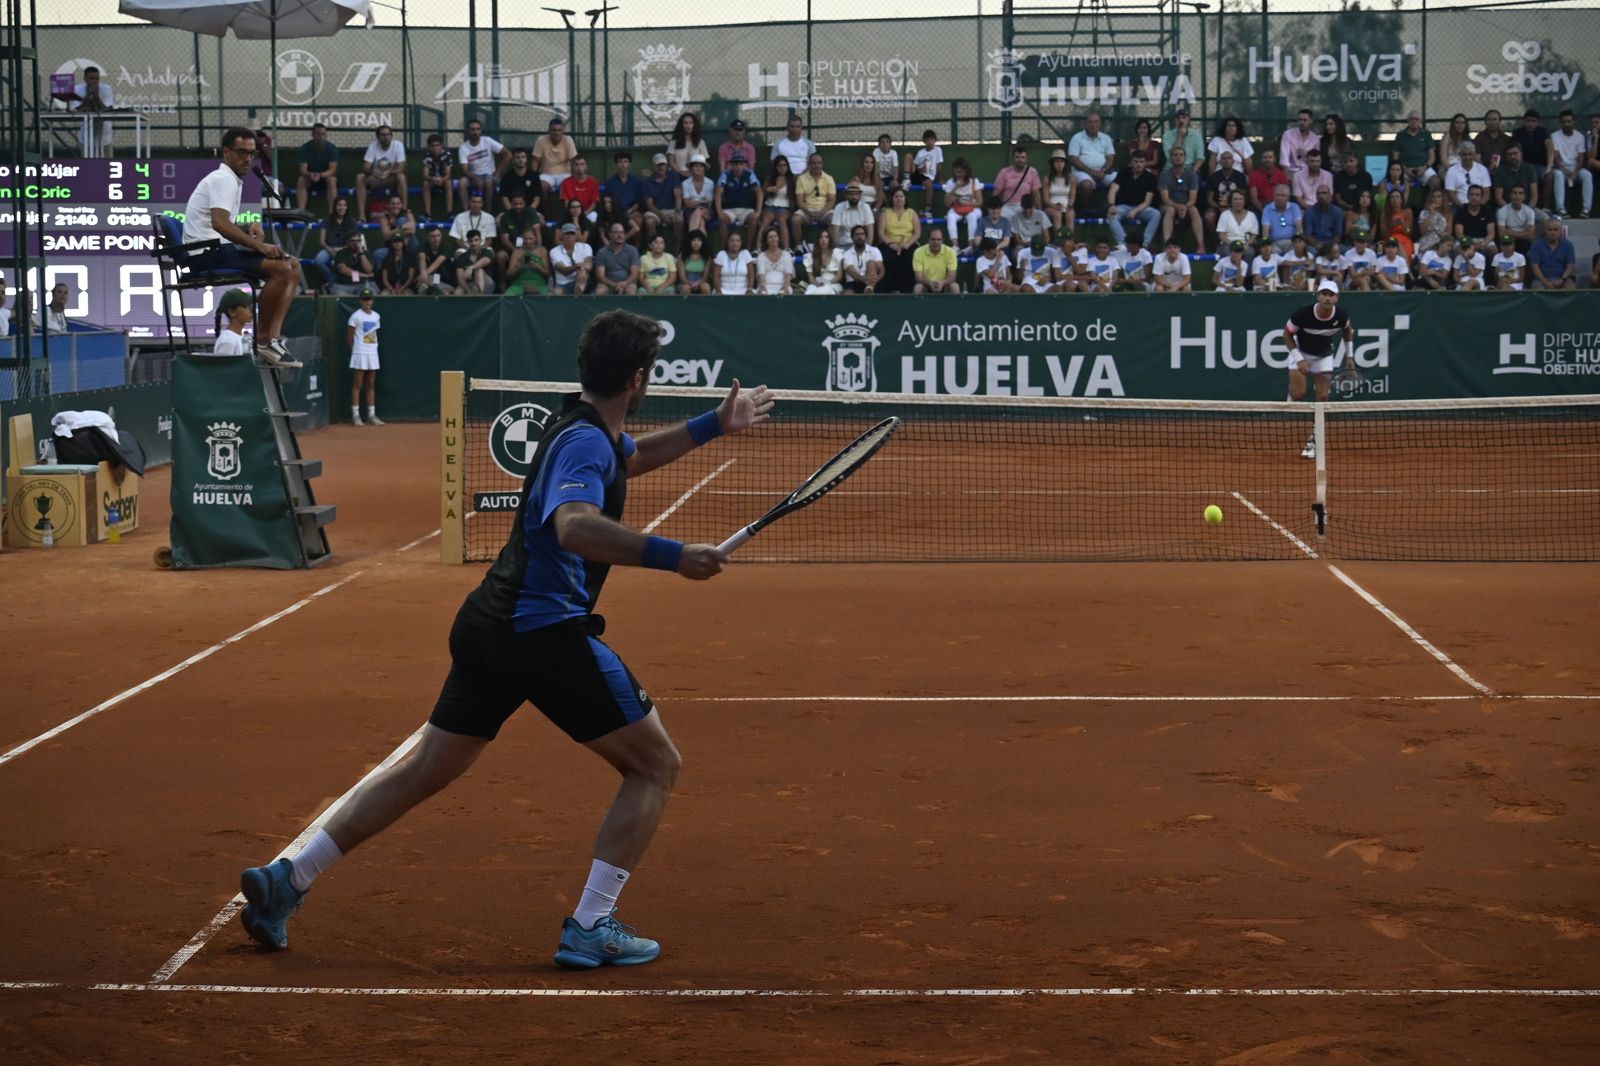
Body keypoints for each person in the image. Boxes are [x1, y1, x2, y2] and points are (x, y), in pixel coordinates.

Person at [235, 309, 774, 968]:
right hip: (540, 632)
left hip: (489, 621)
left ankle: (286, 880)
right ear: (638, 378)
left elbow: (628, 460)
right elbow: (576, 525)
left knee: (427, 767)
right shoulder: (585, 443)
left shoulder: (584, 429)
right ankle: (591, 924)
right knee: (655, 765)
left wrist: (714, 425)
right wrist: (671, 555)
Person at [183, 127, 302, 366]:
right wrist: (261, 247)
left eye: (252, 153)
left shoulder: (231, 180)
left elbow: (220, 221)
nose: (248, 158)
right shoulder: (223, 178)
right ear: (226, 153)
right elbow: (219, 223)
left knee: (293, 265)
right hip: (205, 254)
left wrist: (248, 226)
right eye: (242, 152)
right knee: (282, 268)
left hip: (215, 249)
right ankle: (265, 339)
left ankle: (272, 339)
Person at [1284, 280, 1354, 458]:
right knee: (1299, 393)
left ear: (1336, 298)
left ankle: (1313, 441)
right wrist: (1299, 360)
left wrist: (1350, 356)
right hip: (1300, 353)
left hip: (1324, 356)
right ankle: (1292, 394)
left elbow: (1347, 331)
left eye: (1331, 295)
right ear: (1318, 296)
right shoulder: (1303, 313)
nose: (1327, 298)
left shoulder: (1341, 315)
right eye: (1324, 294)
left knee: (1322, 397)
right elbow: (1287, 334)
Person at [346, 290, 383, 427]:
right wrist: (355, 352)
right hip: (360, 353)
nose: (367, 302)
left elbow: (374, 335)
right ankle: (356, 416)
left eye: (369, 299)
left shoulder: (376, 316)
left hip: (372, 353)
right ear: (360, 301)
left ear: (372, 301)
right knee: (357, 385)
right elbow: (349, 337)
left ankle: (371, 415)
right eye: (364, 299)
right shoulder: (355, 317)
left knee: (370, 385)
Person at [1107, 152, 1160, 248]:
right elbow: (1113, 190)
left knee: (1156, 214)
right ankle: (1123, 242)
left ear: (1145, 163)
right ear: (1131, 162)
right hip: (1123, 206)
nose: (1139, 164)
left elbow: (1147, 201)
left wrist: (1135, 211)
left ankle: (1145, 243)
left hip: (1141, 208)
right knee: (1111, 214)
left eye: (1141, 162)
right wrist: (1111, 205)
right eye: (1136, 161)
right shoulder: (1123, 173)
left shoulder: (1151, 178)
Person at [1548, 109, 1593, 218]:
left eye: (1569, 121)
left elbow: (1581, 158)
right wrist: (1564, 169)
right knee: (1558, 175)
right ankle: (1561, 209)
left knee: (1587, 175)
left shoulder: (1580, 136)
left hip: (1575, 168)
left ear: (1573, 122)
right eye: (1564, 122)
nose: (1566, 124)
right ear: (1560, 123)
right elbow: (1556, 156)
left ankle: (1586, 210)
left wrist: (1576, 172)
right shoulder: (1554, 136)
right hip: (1560, 168)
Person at [1158, 145, 1205, 250]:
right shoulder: (1164, 174)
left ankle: (1201, 245)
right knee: (1170, 210)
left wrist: (1184, 207)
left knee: (1194, 210)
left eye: (1181, 155)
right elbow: (1165, 198)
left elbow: (1193, 199)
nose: (1178, 157)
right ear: (1170, 158)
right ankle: (1167, 245)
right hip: (1168, 205)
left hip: (1186, 205)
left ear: (1185, 158)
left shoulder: (1192, 175)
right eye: (1175, 155)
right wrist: (1177, 206)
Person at [1068, 111, 1116, 208]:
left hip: (1103, 172)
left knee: (1119, 181)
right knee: (1086, 185)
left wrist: (1103, 171)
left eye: (1096, 122)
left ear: (1100, 124)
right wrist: (1091, 172)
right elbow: (1074, 159)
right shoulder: (1077, 138)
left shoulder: (1106, 138)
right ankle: (1086, 209)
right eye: (1090, 122)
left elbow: (1110, 157)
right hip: (1082, 172)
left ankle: (1109, 207)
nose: (1093, 124)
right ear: (1085, 124)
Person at [715, 152, 764, 248]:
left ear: (744, 165)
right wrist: (719, 212)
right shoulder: (725, 174)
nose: (739, 167)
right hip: (729, 210)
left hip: (746, 209)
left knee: (754, 219)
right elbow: (718, 192)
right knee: (722, 220)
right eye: (736, 164)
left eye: (741, 164)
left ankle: (748, 249)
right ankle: (723, 249)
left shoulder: (750, 174)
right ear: (732, 165)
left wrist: (758, 211)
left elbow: (759, 191)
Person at [878, 186, 921, 294]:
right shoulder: (885, 213)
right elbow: (881, 233)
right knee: (889, 258)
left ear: (905, 199)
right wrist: (891, 243)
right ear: (892, 199)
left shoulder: (911, 213)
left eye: (901, 196)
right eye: (896, 196)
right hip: (889, 243)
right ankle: (891, 290)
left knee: (909, 257)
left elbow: (917, 233)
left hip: (908, 243)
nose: (899, 199)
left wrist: (907, 244)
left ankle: (907, 290)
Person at [357, 125, 407, 217]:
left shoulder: (398, 145)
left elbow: (401, 167)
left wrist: (389, 172)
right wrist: (373, 172)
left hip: (391, 178)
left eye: (388, 135)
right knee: (360, 177)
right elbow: (365, 167)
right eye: (383, 135)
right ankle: (362, 215)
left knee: (401, 177)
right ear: (378, 137)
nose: (386, 137)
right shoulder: (373, 146)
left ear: (391, 136)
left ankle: (403, 212)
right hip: (376, 178)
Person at [458, 120, 509, 208]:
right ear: (468, 131)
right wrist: (475, 177)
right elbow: (465, 170)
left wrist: (498, 173)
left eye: (478, 129)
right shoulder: (463, 148)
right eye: (472, 129)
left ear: (481, 131)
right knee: (462, 182)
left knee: (488, 181)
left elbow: (508, 154)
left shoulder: (487, 141)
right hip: (473, 177)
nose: (475, 132)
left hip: (490, 176)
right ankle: (466, 213)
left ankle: (487, 212)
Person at [793, 153, 837, 253]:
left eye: (819, 163)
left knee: (833, 220)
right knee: (795, 220)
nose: (816, 166)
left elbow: (832, 200)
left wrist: (822, 211)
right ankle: (799, 247)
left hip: (824, 209)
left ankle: (833, 248)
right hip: (806, 208)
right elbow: (799, 201)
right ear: (809, 164)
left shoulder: (829, 178)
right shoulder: (801, 179)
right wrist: (808, 211)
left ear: (822, 164)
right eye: (814, 163)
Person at [641, 154, 684, 247]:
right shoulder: (647, 182)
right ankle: (656, 249)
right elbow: (650, 204)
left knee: (679, 220)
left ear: (667, 165)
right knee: (649, 222)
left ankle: (678, 250)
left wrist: (677, 211)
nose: (661, 167)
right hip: (657, 211)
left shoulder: (673, 176)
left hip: (672, 209)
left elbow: (678, 195)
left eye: (663, 164)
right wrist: (662, 215)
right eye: (658, 165)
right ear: (654, 166)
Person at [601, 152, 646, 240]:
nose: (623, 164)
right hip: (615, 211)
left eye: (625, 161)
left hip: (631, 211)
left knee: (638, 220)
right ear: (616, 164)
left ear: (629, 164)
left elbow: (638, 202)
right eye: (620, 162)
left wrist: (629, 211)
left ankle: (635, 250)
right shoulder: (610, 182)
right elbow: (608, 199)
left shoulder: (637, 181)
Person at [941, 157, 982, 252]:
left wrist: (968, 203)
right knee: (950, 216)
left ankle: (971, 246)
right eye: (956, 172)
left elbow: (980, 203)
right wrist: (955, 188)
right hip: (957, 208)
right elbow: (947, 204)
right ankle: (955, 246)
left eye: (961, 172)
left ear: (966, 171)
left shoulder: (974, 181)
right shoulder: (951, 182)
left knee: (971, 216)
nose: (958, 174)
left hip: (973, 208)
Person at [295, 123, 339, 212]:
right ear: (313, 134)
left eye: (323, 134)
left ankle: (332, 215)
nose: (321, 137)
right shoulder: (304, 148)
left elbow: (333, 169)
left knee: (332, 179)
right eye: (318, 134)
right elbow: (303, 170)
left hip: (325, 178)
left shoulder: (332, 148)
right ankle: (301, 212)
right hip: (310, 178)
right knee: (301, 180)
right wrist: (311, 174)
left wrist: (321, 175)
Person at [533, 117, 579, 200]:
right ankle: (545, 212)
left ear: (562, 131)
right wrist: (532, 178)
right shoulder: (541, 140)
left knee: (567, 186)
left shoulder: (568, 140)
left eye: (559, 130)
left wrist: (575, 178)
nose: (557, 133)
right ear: (549, 130)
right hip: (546, 174)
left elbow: (574, 161)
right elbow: (535, 161)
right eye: (554, 130)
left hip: (564, 174)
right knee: (541, 187)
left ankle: (567, 212)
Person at [993, 145, 1042, 222]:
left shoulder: (1032, 172)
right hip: (1008, 205)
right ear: (1013, 158)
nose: (1020, 160)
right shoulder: (1004, 172)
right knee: (1002, 219)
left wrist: (1039, 210)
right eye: (1017, 157)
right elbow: (996, 193)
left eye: (1023, 157)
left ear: (1026, 159)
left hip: (1025, 205)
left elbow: (1036, 194)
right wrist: (994, 208)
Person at [1392, 111, 1439, 190]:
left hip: (1424, 168)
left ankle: (1430, 202)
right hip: (1405, 170)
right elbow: (1395, 157)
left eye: (1416, 119)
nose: (1414, 121)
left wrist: (1425, 167)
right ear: (1408, 121)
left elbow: (1432, 156)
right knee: (1398, 183)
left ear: (1421, 121)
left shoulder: (1426, 134)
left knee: (1436, 181)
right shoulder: (1400, 135)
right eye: (1412, 119)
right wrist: (1405, 169)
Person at [592, 223, 642, 295]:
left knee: (630, 291)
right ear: (610, 235)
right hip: (608, 283)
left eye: (622, 232)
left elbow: (635, 274)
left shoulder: (632, 250)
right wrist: (614, 285)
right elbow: (600, 276)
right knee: (600, 291)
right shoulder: (602, 252)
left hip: (628, 283)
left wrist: (625, 283)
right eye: (616, 232)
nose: (620, 235)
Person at [1527, 217, 1576, 289]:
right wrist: (1545, 283)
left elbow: (1570, 266)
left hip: (1563, 279)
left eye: (1556, 230)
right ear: (1545, 231)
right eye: (1549, 230)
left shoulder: (1568, 245)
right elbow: (1535, 267)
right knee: (1537, 289)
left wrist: (1562, 280)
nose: (1552, 232)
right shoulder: (1536, 245)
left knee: (1571, 287)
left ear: (1561, 231)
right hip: (1542, 280)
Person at [504, 224, 551, 296]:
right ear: (522, 239)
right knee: (507, 296)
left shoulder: (542, 250)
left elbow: (547, 273)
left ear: (535, 239)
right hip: (519, 284)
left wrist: (537, 266)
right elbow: (508, 275)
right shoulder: (517, 252)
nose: (528, 241)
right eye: (526, 238)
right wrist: (520, 267)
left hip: (539, 284)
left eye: (530, 239)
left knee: (549, 297)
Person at [759, 156, 796, 249]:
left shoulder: (792, 179)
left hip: (785, 207)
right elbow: (762, 192)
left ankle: (787, 248)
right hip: (770, 205)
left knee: (782, 219)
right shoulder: (770, 178)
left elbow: (793, 197)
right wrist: (768, 190)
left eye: (784, 165)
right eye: (780, 166)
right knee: (766, 220)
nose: (782, 168)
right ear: (776, 167)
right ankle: (758, 248)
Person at [550, 223, 595, 295]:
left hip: (584, 281)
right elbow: (564, 270)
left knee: (582, 272)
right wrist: (577, 266)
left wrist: (582, 268)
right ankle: (578, 297)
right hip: (564, 284)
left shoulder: (585, 247)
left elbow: (589, 266)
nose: (569, 237)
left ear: (576, 236)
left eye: (572, 234)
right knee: (556, 292)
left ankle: (577, 297)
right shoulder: (554, 251)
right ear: (561, 236)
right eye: (567, 234)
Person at [1442, 142, 1491, 209]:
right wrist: (1463, 208)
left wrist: (1479, 207)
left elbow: (1486, 192)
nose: (1467, 157)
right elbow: (1451, 193)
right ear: (1460, 155)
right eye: (1464, 155)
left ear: (1474, 155)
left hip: (1479, 206)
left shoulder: (1482, 169)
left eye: (1470, 154)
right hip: (1459, 206)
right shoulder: (1452, 170)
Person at [840, 225, 884, 294]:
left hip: (872, 282)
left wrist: (876, 279)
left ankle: (870, 287)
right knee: (847, 293)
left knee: (870, 263)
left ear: (866, 236)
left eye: (862, 234)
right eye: (856, 235)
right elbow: (852, 272)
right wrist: (864, 279)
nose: (859, 237)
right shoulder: (847, 254)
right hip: (853, 282)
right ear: (852, 238)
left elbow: (881, 269)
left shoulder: (874, 250)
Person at [911, 227, 958, 294]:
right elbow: (918, 277)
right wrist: (930, 283)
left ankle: (955, 305)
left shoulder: (950, 252)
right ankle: (917, 305)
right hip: (926, 285)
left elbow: (952, 276)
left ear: (942, 241)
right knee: (918, 287)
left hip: (944, 285)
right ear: (928, 240)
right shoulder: (918, 252)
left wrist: (942, 283)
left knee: (954, 286)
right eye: (933, 239)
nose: (936, 242)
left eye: (939, 239)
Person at [420, 134, 455, 220]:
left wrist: (442, 180)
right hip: (432, 180)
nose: (435, 148)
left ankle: (449, 213)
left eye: (438, 145)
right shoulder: (426, 155)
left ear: (441, 145)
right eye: (432, 146)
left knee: (448, 182)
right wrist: (433, 179)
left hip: (444, 179)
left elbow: (448, 174)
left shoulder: (447, 154)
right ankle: (427, 214)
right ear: (428, 147)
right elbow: (425, 175)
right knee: (425, 184)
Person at [499, 147, 542, 216]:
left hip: (530, 210)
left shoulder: (534, 176)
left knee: (541, 221)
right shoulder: (506, 176)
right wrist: (512, 212)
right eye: (518, 157)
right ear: (513, 160)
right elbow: (504, 198)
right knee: (498, 220)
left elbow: (537, 198)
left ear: (526, 159)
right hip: (512, 210)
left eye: (523, 157)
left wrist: (530, 212)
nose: (521, 160)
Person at [415, 228, 460, 295]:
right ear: (427, 237)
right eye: (433, 236)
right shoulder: (423, 245)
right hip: (429, 279)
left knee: (445, 292)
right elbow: (422, 259)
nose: (436, 239)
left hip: (445, 281)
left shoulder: (447, 247)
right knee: (423, 286)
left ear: (441, 236)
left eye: (438, 235)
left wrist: (423, 274)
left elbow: (438, 262)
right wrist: (423, 273)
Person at [665, 112, 710, 179]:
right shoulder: (673, 143)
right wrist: (681, 172)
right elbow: (671, 162)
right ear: (681, 125)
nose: (688, 125)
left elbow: (703, 162)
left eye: (691, 123)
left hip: (695, 177)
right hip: (678, 176)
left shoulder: (701, 142)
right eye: (685, 123)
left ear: (694, 125)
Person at [831, 181, 876, 248]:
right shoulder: (839, 207)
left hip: (861, 245)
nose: (854, 197)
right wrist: (838, 249)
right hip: (843, 244)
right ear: (846, 195)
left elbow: (870, 232)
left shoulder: (865, 207)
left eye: (856, 194)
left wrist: (867, 249)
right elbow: (835, 232)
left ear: (860, 195)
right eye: (851, 194)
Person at [771, 114, 817, 178]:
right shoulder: (778, 144)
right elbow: (774, 163)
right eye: (792, 126)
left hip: (805, 178)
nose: (795, 129)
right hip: (784, 178)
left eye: (797, 127)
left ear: (801, 128)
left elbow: (813, 163)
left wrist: (800, 177)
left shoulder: (809, 144)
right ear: (787, 128)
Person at [1261, 184, 1303, 254]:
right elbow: (1265, 230)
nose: (1280, 198)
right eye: (1277, 195)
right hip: (1274, 243)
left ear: (1288, 198)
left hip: (1291, 242)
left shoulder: (1294, 207)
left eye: (1283, 195)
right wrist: (1267, 245)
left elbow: (1299, 226)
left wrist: (1298, 242)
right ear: (1273, 196)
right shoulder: (1267, 209)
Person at [680, 155, 716, 236]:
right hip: (689, 211)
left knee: (698, 211)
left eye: (700, 166)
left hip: (707, 211)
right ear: (691, 168)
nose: (698, 168)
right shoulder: (685, 183)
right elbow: (686, 203)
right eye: (696, 166)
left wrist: (694, 202)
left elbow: (709, 202)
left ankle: (690, 238)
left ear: (704, 168)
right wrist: (701, 202)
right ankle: (703, 246)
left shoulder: (710, 183)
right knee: (701, 223)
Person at [1160, 109, 1204, 175]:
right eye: (1178, 118)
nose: (1181, 120)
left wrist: (1193, 172)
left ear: (1188, 119)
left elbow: (1200, 158)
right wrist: (1180, 136)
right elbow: (1169, 156)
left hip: (1190, 168)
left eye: (1184, 117)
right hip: (1171, 168)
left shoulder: (1197, 136)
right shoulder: (1167, 135)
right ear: (1175, 120)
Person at [1497, 182, 1538, 252]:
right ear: (1510, 195)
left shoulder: (1529, 211)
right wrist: (1523, 233)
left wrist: (1512, 233)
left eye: (1520, 193)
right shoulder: (1502, 211)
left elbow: (1530, 235)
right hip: (1508, 238)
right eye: (1514, 193)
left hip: (1523, 240)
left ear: (1524, 197)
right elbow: (1502, 234)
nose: (1517, 196)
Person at [211, 289, 254, 355]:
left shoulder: (237, 337)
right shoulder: (228, 340)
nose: (251, 309)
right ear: (232, 312)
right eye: (246, 306)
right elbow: (224, 365)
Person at [1043, 149, 1076, 235]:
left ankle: (1070, 240)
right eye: (1056, 162)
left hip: (1066, 205)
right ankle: (1059, 239)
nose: (1059, 164)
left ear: (1065, 164)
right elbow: (1046, 199)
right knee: (1057, 214)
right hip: (1051, 207)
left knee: (1071, 213)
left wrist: (1070, 205)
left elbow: (1072, 196)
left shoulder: (1071, 178)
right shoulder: (1047, 179)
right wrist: (1054, 206)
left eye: (1061, 161)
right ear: (1053, 164)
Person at [711, 231, 755, 296]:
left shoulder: (745, 253)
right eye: (732, 241)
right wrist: (718, 290)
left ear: (741, 243)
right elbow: (716, 275)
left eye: (738, 241)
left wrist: (749, 289)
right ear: (727, 242)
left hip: (744, 290)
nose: (735, 243)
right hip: (723, 290)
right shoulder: (721, 254)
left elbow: (751, 274)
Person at [754, 227, 795, 295]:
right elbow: (761, 274)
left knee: (784, 293)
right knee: (763, 293)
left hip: (783, 285)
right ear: (766, 240)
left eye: (775, 236)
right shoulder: (761, 256)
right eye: (770, 237)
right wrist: (763, 287)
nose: (774, 239)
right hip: (766, 286)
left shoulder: (786, 255)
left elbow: (788, 274)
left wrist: (785, 286)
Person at [1280, 108, 1320, 177]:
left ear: (1311, 121)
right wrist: (1287, 176)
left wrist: (1307, 154)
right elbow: (1284, 158)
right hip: (1292, 171)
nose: (1301, 122)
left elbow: (1317, 158)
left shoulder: (1315, 138)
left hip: (1309, 172)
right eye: (1299, 120)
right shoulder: (1288, 134)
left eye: (1305, 120)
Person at [453, 230, 496, 295]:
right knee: (458, 291)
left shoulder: (487, 252)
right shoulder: (462, 257)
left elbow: (486, 260)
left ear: (481, 240)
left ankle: (479, 297)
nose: (474, 243)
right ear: (467, 242)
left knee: (479, 270)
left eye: (476, 240)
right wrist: (468, 290)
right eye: (471, 241)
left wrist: (471, 268)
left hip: (488, 283)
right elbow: (460, 278)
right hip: (470, 284)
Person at [559, 156, 601, 221]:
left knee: (593, 217)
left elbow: (594, 203)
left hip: (587, 212)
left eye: (582, 164)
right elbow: (566, 202)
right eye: (576, 164)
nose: (579, 167)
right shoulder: (566, 182)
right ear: (572, 167)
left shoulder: (593, 181)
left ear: (586, 166)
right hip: (571, 212)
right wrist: (575, 213)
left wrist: (585, 214)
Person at [802, 229, 843, 295]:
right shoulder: (810, 257)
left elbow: (839, 276)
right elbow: (811, 278)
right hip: (817, 284)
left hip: (833, 284)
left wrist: (828, 283)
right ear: (817, 240)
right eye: (820, 237)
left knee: (825, 291)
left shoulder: (837, 253)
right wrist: (817, 284)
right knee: (810, 291)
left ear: (830, 239)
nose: (823, 240)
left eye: (826, 237)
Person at [1415, 188, 1451, 256]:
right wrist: (1430, 213)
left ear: (1443, 198)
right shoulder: (1424, 213)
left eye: (1439, 196)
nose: (1436, 199)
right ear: (1430, 199)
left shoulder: (1449, 214)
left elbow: (1449, 233)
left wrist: (1441, 235)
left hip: (1441, 240)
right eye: (1433, 197)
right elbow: (1423, 232)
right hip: (1426, 240)